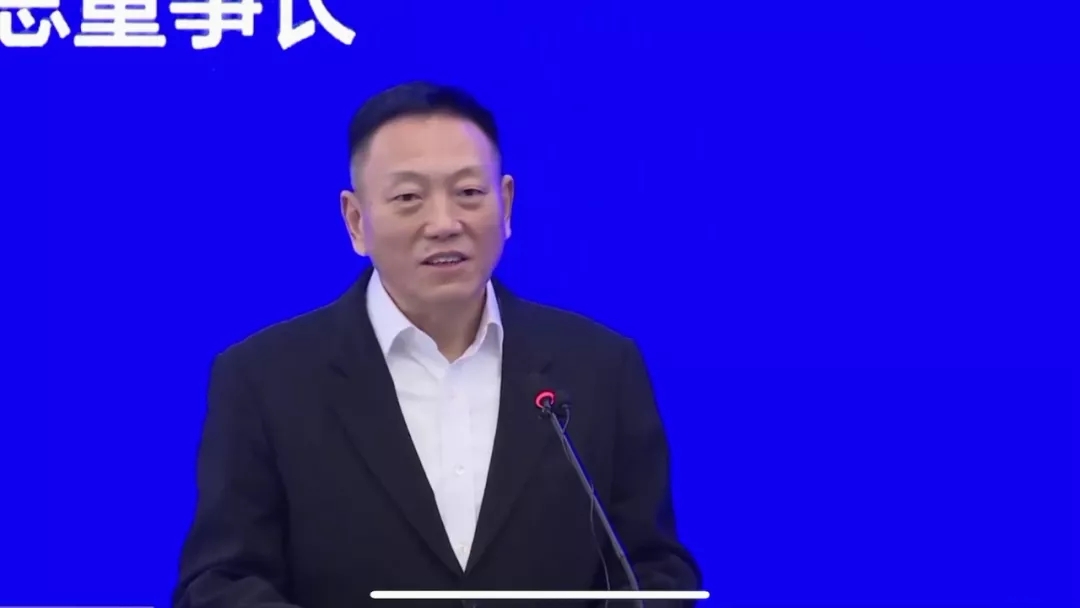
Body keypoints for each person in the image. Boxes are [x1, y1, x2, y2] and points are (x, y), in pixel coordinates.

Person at [173, 81, 700, 608]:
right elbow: (221, 582)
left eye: (468, 193)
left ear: (506, 204)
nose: (444, 224)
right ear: (356, 221)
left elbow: (654, 570)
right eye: (408, 198)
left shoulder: (600, 367)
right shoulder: (266, 379)